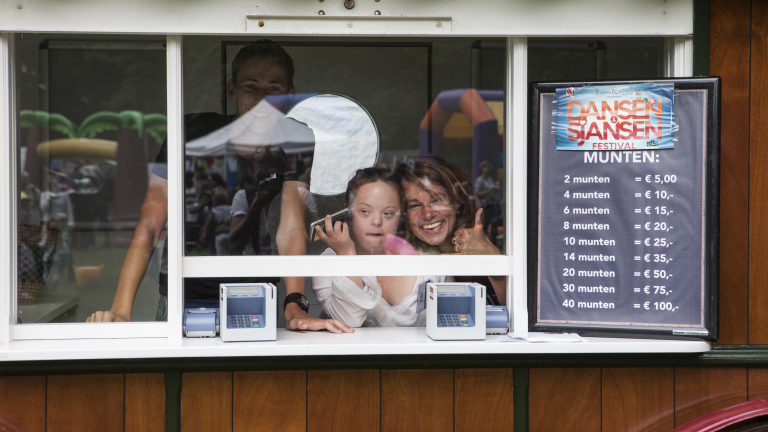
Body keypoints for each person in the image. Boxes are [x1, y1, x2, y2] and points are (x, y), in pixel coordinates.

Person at [86, 41, 352, 333]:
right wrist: (121, 310)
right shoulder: (189, 132)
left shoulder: (295, 137)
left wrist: (294, 306)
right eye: (251, 87)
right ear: (232, 89)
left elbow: (291, 226)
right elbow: (151, 223)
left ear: (289, 96)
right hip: (184, 293)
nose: (262, 99)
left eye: (274, 89)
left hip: (256, 293)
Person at [312, 168, 451, 327]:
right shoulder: (328, 262)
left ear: (401, 215)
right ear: (348, 211)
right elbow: (350, 321)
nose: (377, 221)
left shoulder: (429, 258)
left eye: (387, 213)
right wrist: (346, 256)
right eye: (365, 211)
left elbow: (453, 323)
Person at [393, 157, 507, 306]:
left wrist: (493, 261)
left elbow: (519, 313)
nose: (428, 214)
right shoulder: (402, 258)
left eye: (436, 200)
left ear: (456, 200)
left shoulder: (491, 244)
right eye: (414, 205)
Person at [474, 160, 501, 246]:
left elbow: (492, 193)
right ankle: (482, 244)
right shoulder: (480, 180)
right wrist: (491, 189)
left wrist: (496, 188)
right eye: (484, 167)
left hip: (492, 205)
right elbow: (477, 194)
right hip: (484, 206)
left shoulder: (489, 179)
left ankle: (493, 244)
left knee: (494, 225)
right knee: (484, 226)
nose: (486, 169)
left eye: (488, 167)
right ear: (481, 169)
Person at [204, 190, 232, 256]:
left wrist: (206, 234)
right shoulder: (232, 209)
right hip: (231, 235)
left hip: (219, 235)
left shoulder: (214, 210)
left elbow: (210, 224)